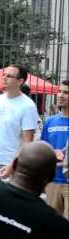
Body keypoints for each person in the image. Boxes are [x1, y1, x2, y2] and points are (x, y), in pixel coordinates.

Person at [0, 65, 38, 182]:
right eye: (4, 75)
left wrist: (12, 166)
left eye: (9, 76)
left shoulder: (28, 106)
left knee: (7, 200)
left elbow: (27, 142)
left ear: (20, 81)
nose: (5, 78)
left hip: (9, 164)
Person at [40, 80, 69, 219]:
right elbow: (43, 149)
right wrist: (52, 152)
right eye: (60, 91)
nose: (61, 95)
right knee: (53, 226)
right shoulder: (49, 121)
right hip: (53, 181)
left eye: (66, 92)